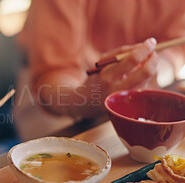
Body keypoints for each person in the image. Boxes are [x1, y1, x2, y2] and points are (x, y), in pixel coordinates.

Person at [13, 0, 185, 141]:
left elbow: (176, 46)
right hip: (56, 93)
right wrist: (87, 98)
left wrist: (150, 71)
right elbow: (55, 72)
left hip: (134, 89)